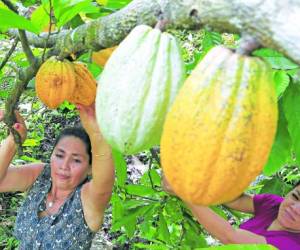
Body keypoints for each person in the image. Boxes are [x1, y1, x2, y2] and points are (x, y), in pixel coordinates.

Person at [0, 104, 115, 249]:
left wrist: (97, 134)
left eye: (76, 160)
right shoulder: (41, 175)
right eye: (60, 155)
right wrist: (14, 140)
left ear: (90, 169)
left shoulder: (87, 198)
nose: (64, 166)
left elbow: (103, 186)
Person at [162, 176, 300, 250]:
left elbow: (230, 237)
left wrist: (184, 193)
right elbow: (233, 200)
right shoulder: (274, 204)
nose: (295, 208)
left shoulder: (293, 246)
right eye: (295, 196)